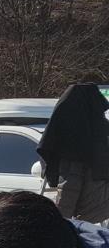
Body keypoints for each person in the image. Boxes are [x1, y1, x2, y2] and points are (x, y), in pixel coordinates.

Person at [38, 82, 109, 223]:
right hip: (96, 211)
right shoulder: (100, 134)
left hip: (81, 210)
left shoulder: (68, 141)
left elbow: (67, 198)